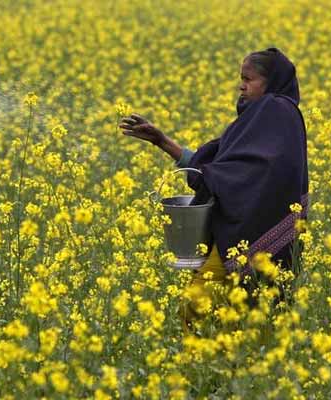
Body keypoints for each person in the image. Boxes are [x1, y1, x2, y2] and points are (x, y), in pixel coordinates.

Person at [119, 48, 309, 334]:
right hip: (239, 231)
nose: (241, 86)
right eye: (240, 78)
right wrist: (162, 142)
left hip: (252, 232)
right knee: (231, 316)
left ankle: (208, 365)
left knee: (201, 305)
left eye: (249, 79)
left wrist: (212, 176)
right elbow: (221, 164)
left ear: (271, 82)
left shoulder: (276, 111)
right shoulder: (260, 117)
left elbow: (252, 171)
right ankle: (209, 367)